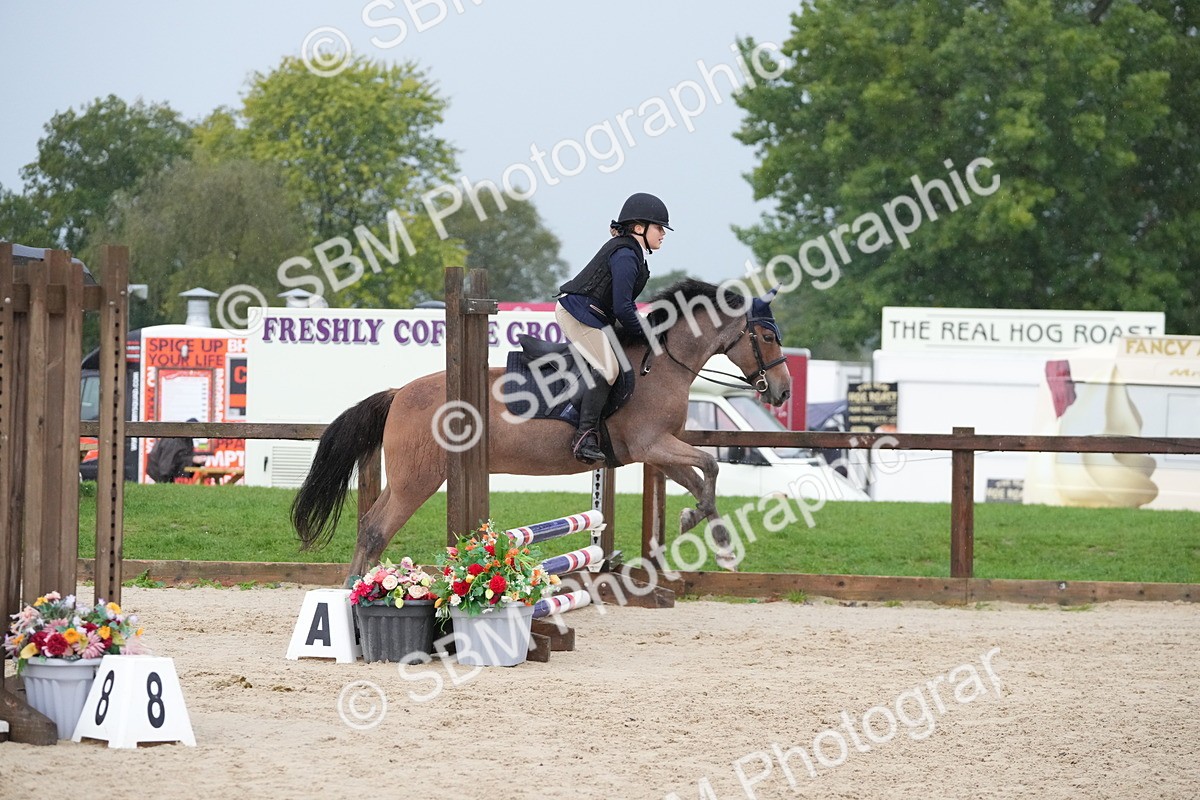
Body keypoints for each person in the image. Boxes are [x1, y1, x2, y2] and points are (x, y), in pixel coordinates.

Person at [556, 192, 672, 463]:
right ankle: (584, 437)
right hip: (578, 315)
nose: (663, 233)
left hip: (595, 316)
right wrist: (647, 334)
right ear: (639, 228)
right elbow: (623, 308)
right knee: (609, 369)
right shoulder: (625, 254)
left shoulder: (634, 252)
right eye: (659, 227)